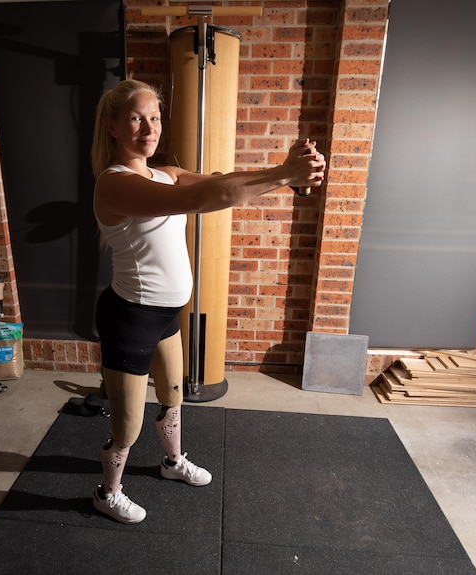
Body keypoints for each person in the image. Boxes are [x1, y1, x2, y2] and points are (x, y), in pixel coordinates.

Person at [90, 79, 325, 524]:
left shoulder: (167, 173)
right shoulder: (114, 184)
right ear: (113, 127)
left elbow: (221, 183)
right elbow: (201, 198)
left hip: (165, 316)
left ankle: (172, 463)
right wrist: (283, 174)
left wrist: (287, 174)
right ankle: (108, 491)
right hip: (130, 318)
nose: (149, 128)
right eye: (137, 118)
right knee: (127, 427)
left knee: (174, 397)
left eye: (155, 117)